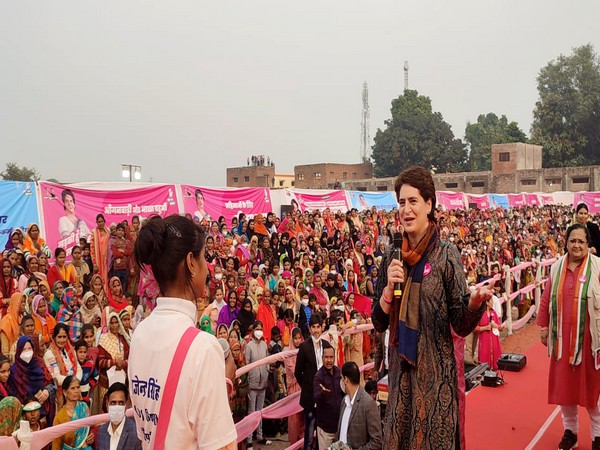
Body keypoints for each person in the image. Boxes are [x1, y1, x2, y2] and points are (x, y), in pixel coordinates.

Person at [371, 166, 493, 449]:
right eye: (401, 203)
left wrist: (473, 303)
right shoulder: (392, 255)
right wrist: (389, 290)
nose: (406, 210)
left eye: (413, 201)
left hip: (437, 384)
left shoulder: (446, 255)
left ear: (429, 204)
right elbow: (378, 322)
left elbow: (461, 323)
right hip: (401, 381)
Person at [129, 215, 236, 448]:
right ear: (190, 263)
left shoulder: (139, 335)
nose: (209, 269)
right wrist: (224, 384)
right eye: (203, 258)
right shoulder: (203, 348)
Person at [537, 223, 600, 450]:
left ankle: (597, 436)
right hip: (561, 342)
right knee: (565, 392)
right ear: (566, 242)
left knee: (594, 393)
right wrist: (543, 327)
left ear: (588, 244)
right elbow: (545, 299)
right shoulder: (556, 268)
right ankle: (570, 432)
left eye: (581, 241)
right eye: (572, 240)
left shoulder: (598, 267)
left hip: (590, 342)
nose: (576, 245)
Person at [294, 313, 332, 450]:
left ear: (322, 328)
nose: (316, 330)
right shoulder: (304, 347)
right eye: (313, 327)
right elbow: (297, 372)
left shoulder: (327, 345)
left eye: (318, 327)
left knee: (323, 435)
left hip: (324, 399)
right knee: (309, 436)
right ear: (309, 329)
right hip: (310, 398)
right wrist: (308, 386)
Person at [334, 361, 382, 450]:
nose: (341, 381)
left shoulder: (368, 403)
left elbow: (377, 442)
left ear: (346, 380)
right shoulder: (344, 401)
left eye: (342, 378)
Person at [244, 320, 271, 449]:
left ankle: (260, 436)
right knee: (251, 411)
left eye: (261, 329)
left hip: (263, 382)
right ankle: (249, 439)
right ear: (253, 331)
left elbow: (267, 361)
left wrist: (267, 371)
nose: (259, 331)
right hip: (253, 383)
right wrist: (249, 380)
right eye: (257, 329)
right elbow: (247, 365)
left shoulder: (265, 345)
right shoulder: (249, 346)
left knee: (260, 411)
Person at [52, 376, 94, 450]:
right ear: (65, 392)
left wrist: (91, 436)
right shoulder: (59, 417)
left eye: (78, 387)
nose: (76, 391)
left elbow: (89, 429)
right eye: (72, 388)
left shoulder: (84, 407)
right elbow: (56, 445)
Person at [313, 345, 343, 449]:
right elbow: (315, 398)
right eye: (326, 357)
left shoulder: (339, 373)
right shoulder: (318, 376)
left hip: (339, 427)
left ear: (335, 358)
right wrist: (322, 393)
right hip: (325, 429)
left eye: (331, 357)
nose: (329, 360)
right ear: (322, 358)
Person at [96, 382, 142, 450]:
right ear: (107, 404)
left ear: (126, 405)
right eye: (113, 403)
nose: (117, 406)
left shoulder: (136, 433)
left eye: (120, 403)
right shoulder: (102, 431)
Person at [284, 327, 304, 445]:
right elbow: (293, 371)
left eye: (298, 338)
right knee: (294, 418)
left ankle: (303, 441)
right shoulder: (288, 352)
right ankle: (294, 442)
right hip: (293, 389)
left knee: (302, 415)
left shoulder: (303, 350)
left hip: (302, 387)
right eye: (295, 338)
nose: (297, 341)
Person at [475, 297, 504, 370]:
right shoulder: (480, 314)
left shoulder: (493, 313)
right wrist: (485, 328)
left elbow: (501, 328)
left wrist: (496, 326)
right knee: (484, 360)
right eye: (491, 301)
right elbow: (474, 328)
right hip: (484, 341)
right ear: (487, 303)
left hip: (495, 341)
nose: (493, 303)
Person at [91, 214, 111, 286]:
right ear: (96, 222)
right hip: (99, 261)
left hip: (108, 260)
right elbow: (92, 249)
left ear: (104, 221)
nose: (100, 223)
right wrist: (94, 264)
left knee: (108, 278)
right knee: (99, 279)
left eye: (101, 221)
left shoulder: (108, 232)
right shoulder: (94, 233)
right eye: (98, 222)